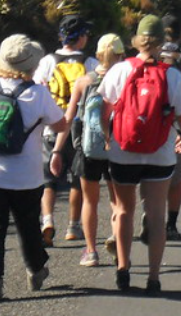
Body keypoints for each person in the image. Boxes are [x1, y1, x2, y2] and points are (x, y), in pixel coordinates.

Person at [0, 34, 67, 302]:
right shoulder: (39, 93)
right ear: (32, 64)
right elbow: (61, 125)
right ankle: (35, 270)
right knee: (27, 224)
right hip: (26, 176)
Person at [98, 15, 181, 295]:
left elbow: (104, 111)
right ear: (163, 41)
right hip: (160, 153)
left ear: (136, 40)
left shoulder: (118, 71)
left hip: (123, 151)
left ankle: (123, 270)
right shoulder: (172, 75)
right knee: (155, 215)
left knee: (124, 211)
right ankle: (153, 278)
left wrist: (108, 137)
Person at [49, 33, 124, 267]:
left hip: (87, 148)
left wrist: (57, 151)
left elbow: (69, 119)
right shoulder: (126, 80)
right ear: (121, 56)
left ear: (98, 55)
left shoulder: (84, 81)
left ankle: (91, 251)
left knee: (89, 201)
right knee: (118, 201)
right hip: (117, 147)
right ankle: (116, 239)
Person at [33, 15, 99, 246]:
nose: (87, 38)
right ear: (79, 37)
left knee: (48, 179)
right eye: (85, 34)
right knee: (76, 178)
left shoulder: (48, 61)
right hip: (80, 128)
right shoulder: (90, 63)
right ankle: (73, 226)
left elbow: (38, 89)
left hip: (52, 125)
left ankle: (47, 220)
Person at [148, 14, 181, 242]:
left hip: (151, 128)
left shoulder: (148, 61)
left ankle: (151, 217)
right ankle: (170, 224)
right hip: (180, 130)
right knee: (175, 179)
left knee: (152, 178)